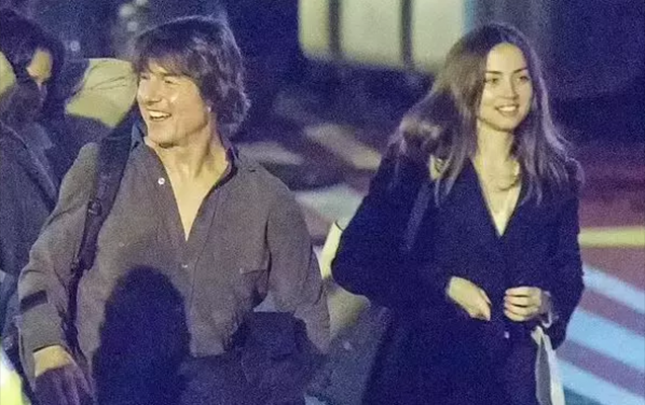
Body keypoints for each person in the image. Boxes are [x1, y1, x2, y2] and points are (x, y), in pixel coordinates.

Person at [18, 14, 329, 405]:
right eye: (145, 78)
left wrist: (240, 380)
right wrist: (47, 349)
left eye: (168, 81)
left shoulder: (267, 202)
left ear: (215, 91)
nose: (148, 96)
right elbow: (44, 274)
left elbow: (306, 332)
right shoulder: (103, 169)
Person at [332, 22, 583, 405]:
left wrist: (547, 304)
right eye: (493, 80)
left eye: (521, 78)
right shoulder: (418, 161)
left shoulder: (555, 176)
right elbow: (354, 260)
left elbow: (568, 273)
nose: (510, 93)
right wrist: (444, 287)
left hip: (509, 386)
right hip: (421, 380)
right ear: (465, 86)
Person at [0, 7, 64, 344]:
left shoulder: (41, 140)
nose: (38, 94)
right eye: (27, 81)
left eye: (45, 83)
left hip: (34, 318)